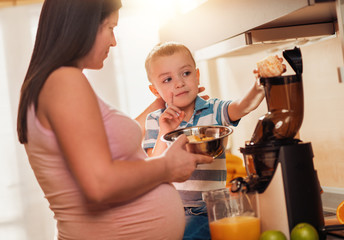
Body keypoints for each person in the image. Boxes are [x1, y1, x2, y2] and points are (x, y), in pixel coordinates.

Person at [16, 1, 214, 239]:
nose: (114, 41)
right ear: (83, 26)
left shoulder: (55, 82)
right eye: (110, 28)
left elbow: (106, 142)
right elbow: (100, 183)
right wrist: (167, 167)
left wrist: (165, 103)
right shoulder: (63, 81)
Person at [143, 42, 266, 240]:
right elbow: (153, 167)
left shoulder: (214, 109)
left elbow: (242, 106)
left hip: (209, 209)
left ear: (197, 75)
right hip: (170, 211)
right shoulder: (155, 120)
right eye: (167, 79)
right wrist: (165, 132)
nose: (179, 83)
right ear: (155, 91)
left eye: (185, 74)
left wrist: (259, 87)